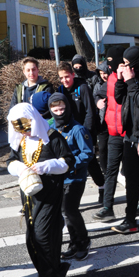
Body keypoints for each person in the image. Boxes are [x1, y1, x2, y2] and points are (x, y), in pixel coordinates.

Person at [6, 103, 75, 277]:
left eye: (27, 128)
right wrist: (19, 167)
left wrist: (48, 166)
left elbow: (69, 161)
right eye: (21, 130)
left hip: (50, 195)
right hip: (29, 198)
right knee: (32, 240)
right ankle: (54, 272)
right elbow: (11, 161)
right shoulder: (20, 142)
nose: (25, 133)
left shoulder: (52, 137)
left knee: (42, 236)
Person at [112, 45, 139, 234]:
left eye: (128, 63)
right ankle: (130, 219)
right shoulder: (129, 77)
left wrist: (131, 81)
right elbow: (119, 98)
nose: (125, 66)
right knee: (131, 180)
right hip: (130, 134)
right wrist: (121, 80)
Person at [48, 93, 93, 261]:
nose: (59, 112)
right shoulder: (51, 128)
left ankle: (83, 241)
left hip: (75, 177)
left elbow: (87, 153)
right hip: (59, 178)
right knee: (64, 212)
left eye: (62, 108)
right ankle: (74, 243)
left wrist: (69, 164)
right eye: (55, 108)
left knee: (70, 210)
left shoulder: (78, 129)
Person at [56, 61, 105, 202]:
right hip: (69, 132)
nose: (64, 80)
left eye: (67, 76)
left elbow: (90, 111)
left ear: (72, 74)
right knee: (70, 160)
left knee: (89, 161)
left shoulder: (82, 87)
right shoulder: (60, 90)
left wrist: (86, 132)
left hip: (84, 131)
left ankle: (102, 186)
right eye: (61, 78)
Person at [93, 46, 128, 222]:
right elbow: (98, 93)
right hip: (113, 132)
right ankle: (107, 207)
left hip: (129, 133)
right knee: (111, 170)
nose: (109, 66)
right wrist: (99, 100)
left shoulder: (129, 78)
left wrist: (124, 79)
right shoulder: (111, 78)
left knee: (134, 171)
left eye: (111, 61)